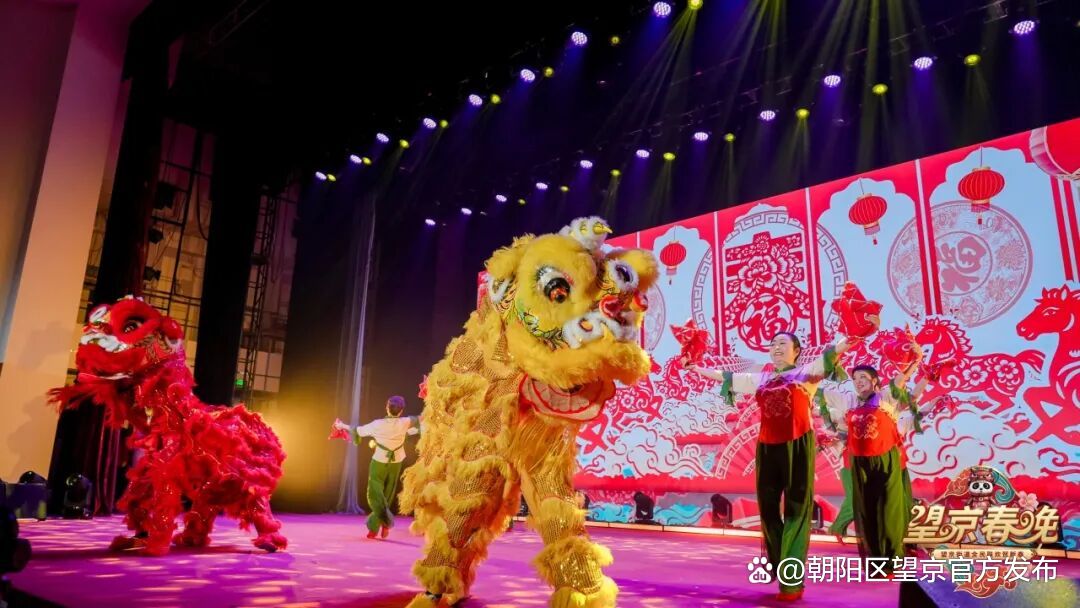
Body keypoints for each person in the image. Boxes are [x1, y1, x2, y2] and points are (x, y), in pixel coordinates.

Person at [686, 328, 864, 601]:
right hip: (767, 448)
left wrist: (852, 336)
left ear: (797, 351)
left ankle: (791, 582)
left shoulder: (807, 373)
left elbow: (833, 352)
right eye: (772, 344)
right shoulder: (762, 379)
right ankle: (781, 561)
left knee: (796, 510)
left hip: (797, 445)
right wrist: (696, 368)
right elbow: (726, 377)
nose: (776, 347)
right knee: (768, 510)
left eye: (783, 343)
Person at [818, 357, 930, 576]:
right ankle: (876, 562)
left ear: (875, 381)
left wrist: (916, 361)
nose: (858, 381)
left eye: (863, 377)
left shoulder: (885, 397)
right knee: (867, 514)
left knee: (889, 512)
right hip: (859, 464)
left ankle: (892, 560)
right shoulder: (848, 400)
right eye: (855, 378)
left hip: (887, 461)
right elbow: (816, 391)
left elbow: (904, 383)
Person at [331, 396, 420, 539]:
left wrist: (341, 425)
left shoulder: (377, 424)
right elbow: (421, 420)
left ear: (386, 407)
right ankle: (383, 525)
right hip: (396, 461)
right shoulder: (405, 422)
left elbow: (358, 430)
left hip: (379, 460)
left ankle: (379, 525)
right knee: (387, 494)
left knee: (374, 494)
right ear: (401, 410)